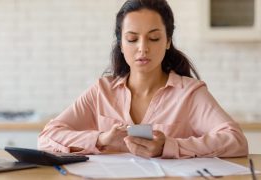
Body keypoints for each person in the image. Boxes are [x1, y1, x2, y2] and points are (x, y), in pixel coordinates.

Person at [38, 0, 248, 158]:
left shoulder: (189, 93)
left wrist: (169, 147)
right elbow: (47, 137)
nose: (142, 48)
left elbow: (236, 141)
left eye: (154, 38)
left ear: (168, 41)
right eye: (132, 39)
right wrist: (100, 139)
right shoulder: (102, 91)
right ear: (121, 44)